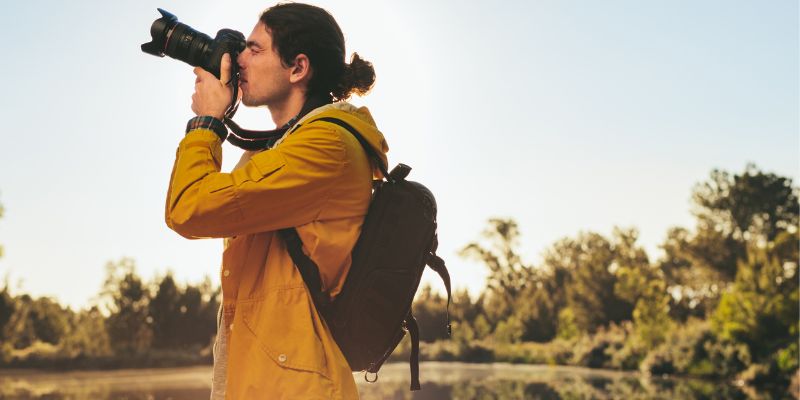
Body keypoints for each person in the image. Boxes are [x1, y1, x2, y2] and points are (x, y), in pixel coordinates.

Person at [165, 3, 387, 399]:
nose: (239, 59)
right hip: (263, 382)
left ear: (297, 68)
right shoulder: (278, 149)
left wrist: (207, 123)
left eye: (254, 48)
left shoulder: (326, 145)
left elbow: (189, 208)